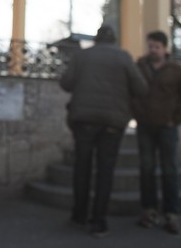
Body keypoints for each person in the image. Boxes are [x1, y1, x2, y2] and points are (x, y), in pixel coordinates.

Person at [59, 24, 147, 238]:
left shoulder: (82, 56)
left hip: (84, 121)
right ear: (114, 39)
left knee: (82, 168)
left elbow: (67, 83)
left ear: (97, 39)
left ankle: (79, 215)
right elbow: (141, 88)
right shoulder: (124, 57)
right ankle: (99, 221)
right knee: (105, 171)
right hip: (113, 123)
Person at [132, 30, 181, 235]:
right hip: (145, 126)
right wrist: (137, 114)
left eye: (156, 47)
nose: (152, 50)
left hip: (167, 128)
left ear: (165, 48)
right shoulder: (140, 66)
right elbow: (131, 92)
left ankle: (171, 213)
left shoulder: (177, 70)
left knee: (169, 170)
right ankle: (148, 210)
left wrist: (175, 119)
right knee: (146, 168)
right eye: (150, 46)